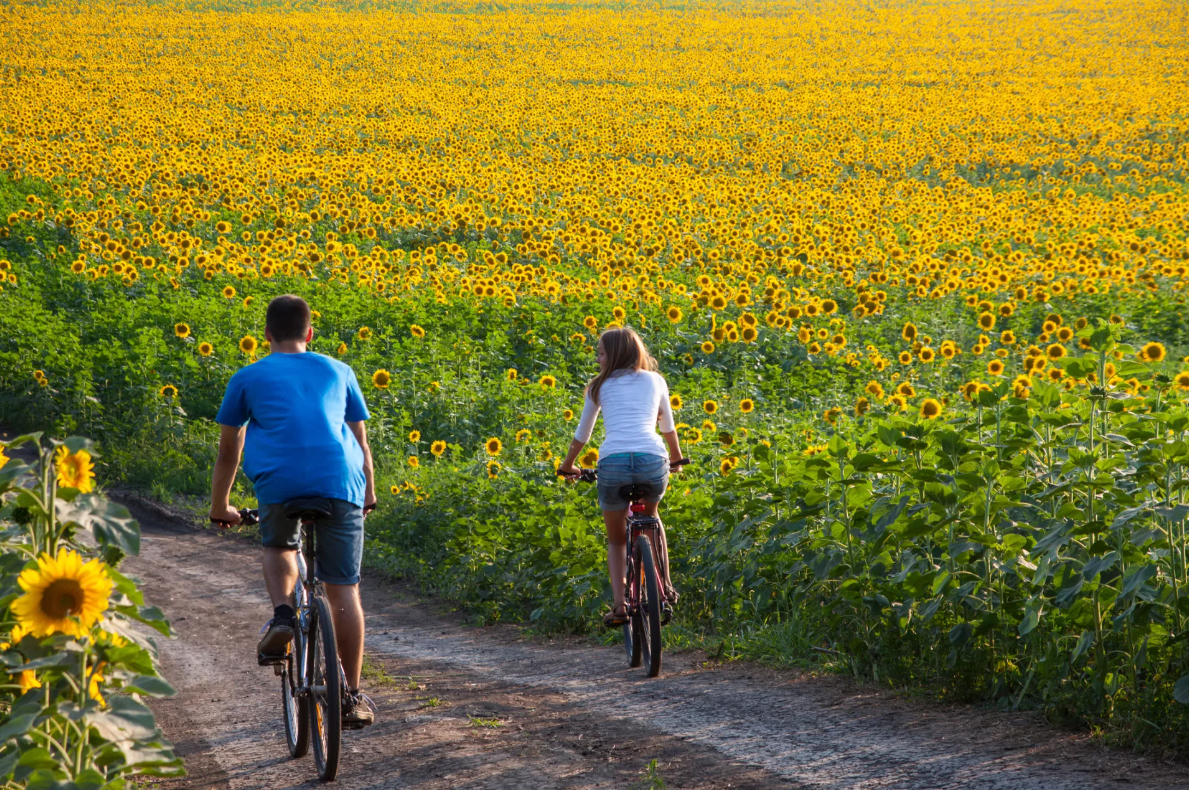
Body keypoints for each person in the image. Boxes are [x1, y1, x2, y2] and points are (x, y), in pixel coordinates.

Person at [208, 294, 377, 728]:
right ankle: (352, 695)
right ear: (310, 333)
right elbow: (360, 442)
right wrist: (368, 494)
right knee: (344, 590)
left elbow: (230, 450)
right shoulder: (340, 371)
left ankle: (284, 614)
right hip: (341, 483)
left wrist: (221, 506)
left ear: (265, 335)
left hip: (279, 483)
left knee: (280, 545)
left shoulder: (247, 376)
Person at [557, 326, 685, 628]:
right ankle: (664, 586)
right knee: (652, 518)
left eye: (600, 353)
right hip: (652, 459)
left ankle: (620, 605)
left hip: (613, 463)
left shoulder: (599, 386)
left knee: (616, 541)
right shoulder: (656, 380)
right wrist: (677, 459)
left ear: (613, 354)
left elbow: (582, 435)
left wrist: (568, 466)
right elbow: (668, 427)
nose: (598, 360)